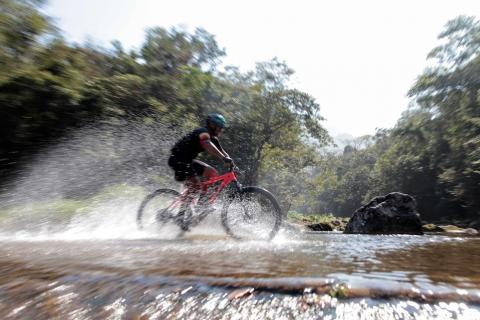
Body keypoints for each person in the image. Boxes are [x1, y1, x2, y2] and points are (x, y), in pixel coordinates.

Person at [168, 112, 234, 211]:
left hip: (188, 161)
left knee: (212, 172)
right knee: (195, 186)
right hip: (177, 159)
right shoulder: (202, 132)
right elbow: (207, 144)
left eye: (222, 127)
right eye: (219, 127)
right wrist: (223, 158)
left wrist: (232, 163)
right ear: (212, 125)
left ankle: (202, 203)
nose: (221, 130)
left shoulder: (213, 138)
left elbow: (223, 152)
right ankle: (181, 216)